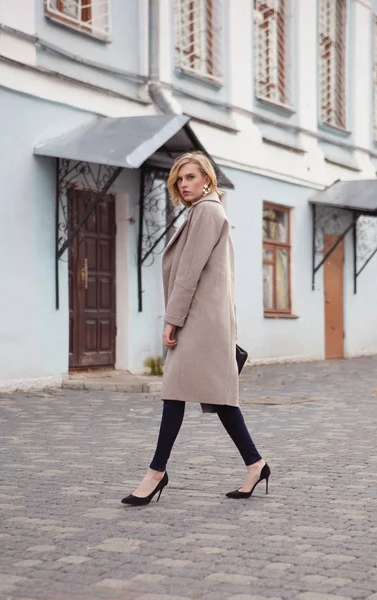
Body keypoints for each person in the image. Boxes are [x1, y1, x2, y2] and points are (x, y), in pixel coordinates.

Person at [121, 151, 270, 506]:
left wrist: (172, 320)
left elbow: (188, 273)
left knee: (177, 393)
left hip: (197, 322)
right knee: (217, 397)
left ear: (207, 178)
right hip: (204, 321)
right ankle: (256, 464)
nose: (184, 184)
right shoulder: (205, 211)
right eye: (179, 179)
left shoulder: (207, 211)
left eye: (191, 177)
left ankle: (156, 473)